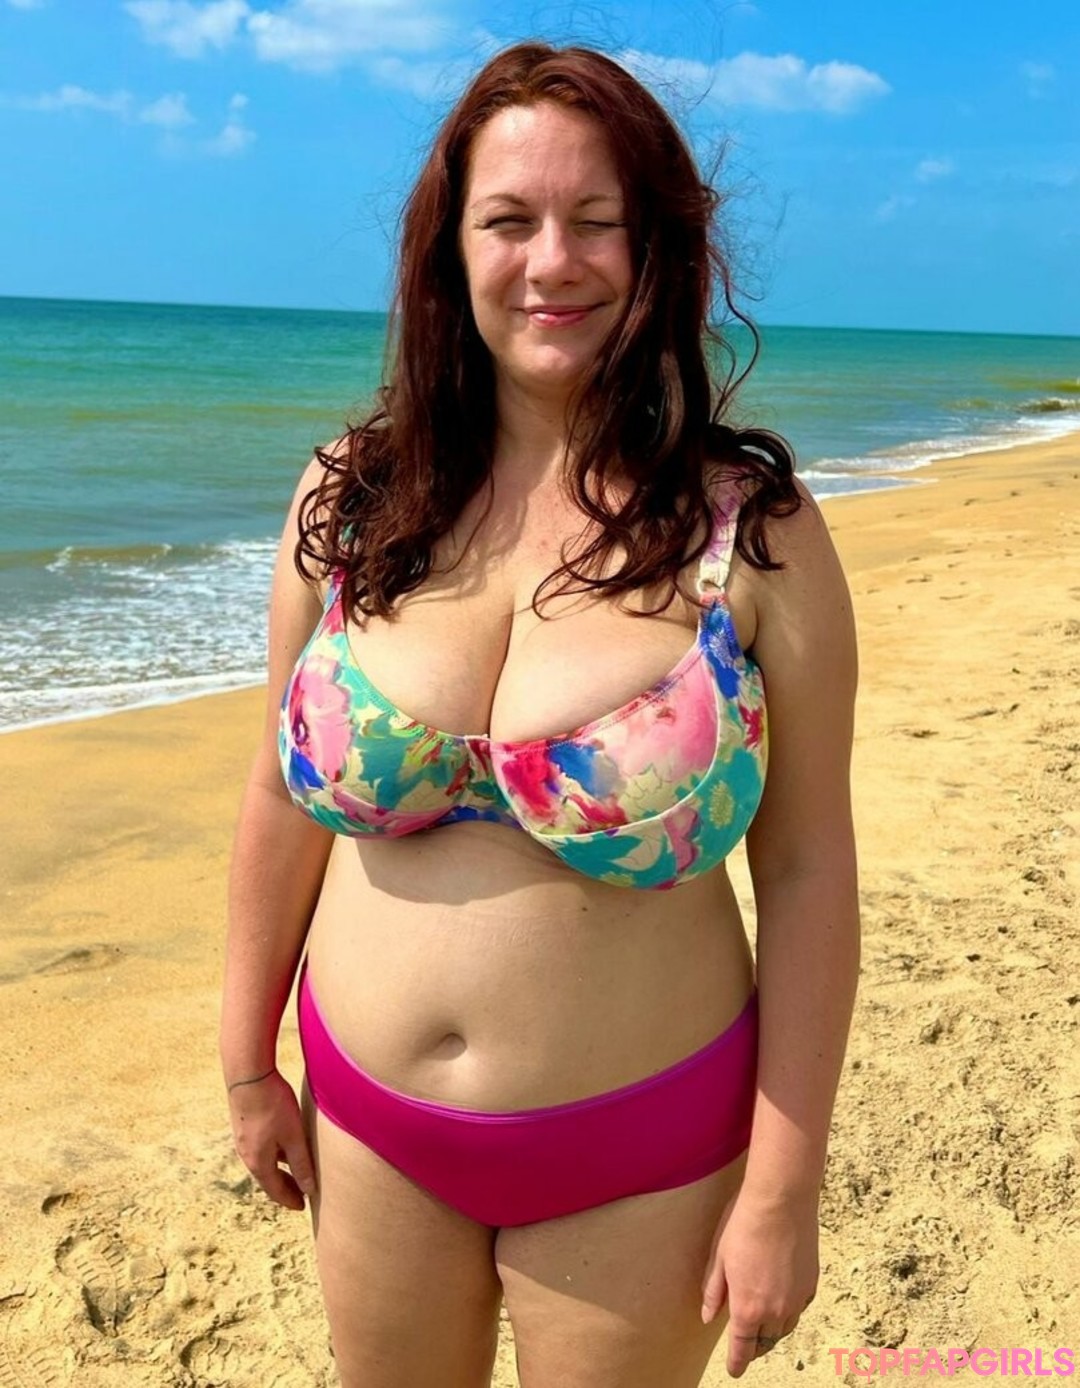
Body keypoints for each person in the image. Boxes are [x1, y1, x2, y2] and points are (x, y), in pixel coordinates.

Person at [221, 39, 859, 1388]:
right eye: (508, 220)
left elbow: (808, 870)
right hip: (369, 1128)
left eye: (595, 221)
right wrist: (244, 1059)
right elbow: (279, 788)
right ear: (450, 249)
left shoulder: (754, 536)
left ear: (655, 248)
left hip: (644, 1148)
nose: (550, 262)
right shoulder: (348, 503)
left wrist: (784, 1187)